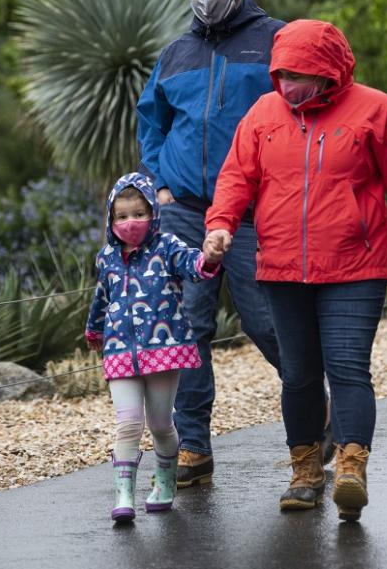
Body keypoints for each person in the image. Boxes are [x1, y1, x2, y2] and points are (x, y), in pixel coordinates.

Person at [203, 19, 387, 521]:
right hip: (283, 269)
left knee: (348, 366)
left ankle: (351, 467)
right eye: (282, 73)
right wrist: (220, 225)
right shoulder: (264, 114)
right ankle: (306, 472)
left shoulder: (377, 110)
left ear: (329, 71)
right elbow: (235, 177)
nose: (289, 84)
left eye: (300, 73)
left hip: (356, 267)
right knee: (299, 376)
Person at [136, 0, 332, 487]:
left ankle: (316, 413)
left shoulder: (275, 41)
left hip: (253, 213)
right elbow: (151, 120)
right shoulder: (175, 53)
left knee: (266, 322)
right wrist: (161, 185)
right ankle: (194, 446)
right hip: (185, 212)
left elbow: (310, 110)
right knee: (187, 327)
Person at [84, 172, 223, 522]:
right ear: (111, 219)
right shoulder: (107, 258)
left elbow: (194, 266)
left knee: (161, 424)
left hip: (163, 349)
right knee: (128, 423)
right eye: (122, 216)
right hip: (119, 350)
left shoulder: (167, 247)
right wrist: (94, 331)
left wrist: (208, 257)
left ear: (153, 214)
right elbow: (102, 298)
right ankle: (124, 495)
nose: (130, 222)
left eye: (138, 213)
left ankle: (165, 481)